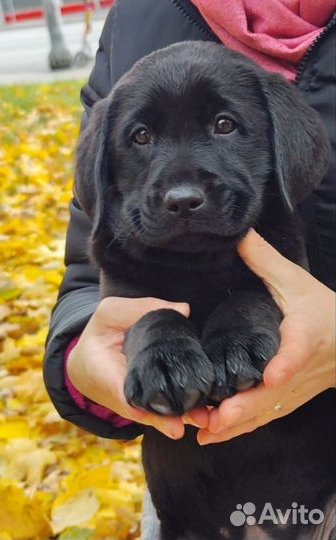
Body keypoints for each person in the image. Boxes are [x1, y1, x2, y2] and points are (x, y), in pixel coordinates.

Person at [43, 0, 335, 537]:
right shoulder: (137, 17)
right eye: (142, 138)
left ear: (280, 142)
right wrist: (87, 363)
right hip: (189, 516)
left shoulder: (275, 211)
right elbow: (89, 294)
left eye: (224, 125)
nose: (180, 189)